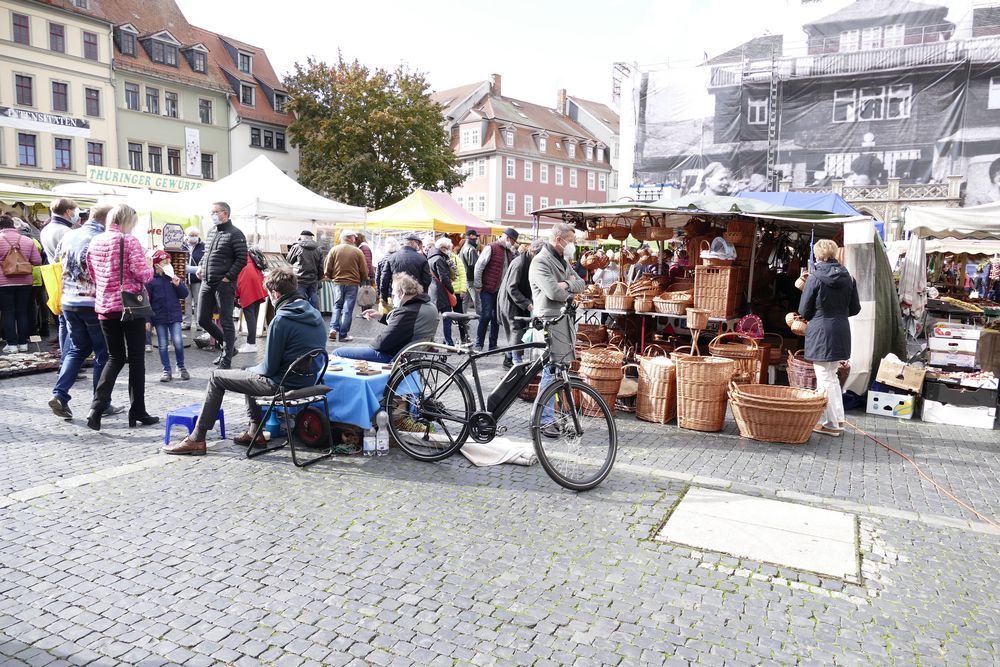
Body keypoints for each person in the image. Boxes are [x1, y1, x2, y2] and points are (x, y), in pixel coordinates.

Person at [163, 267, 328, 456]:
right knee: (246, 370)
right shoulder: (314, 313)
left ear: (275, 293)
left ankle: (197, 439)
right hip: (308, 380)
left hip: (282, 384)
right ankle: (254, 432)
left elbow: (268, 368)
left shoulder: (281, 320)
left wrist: (252, 368)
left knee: (217, 377)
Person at [85, 204, 157, 431]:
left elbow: (92, 273)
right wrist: (151, 266)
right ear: (128, 221)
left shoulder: (96, 240)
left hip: (105, 306)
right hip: (130, 307)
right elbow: (143, 275)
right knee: (136, 360)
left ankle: (96, 409)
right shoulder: (130, 241)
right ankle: (138, 411)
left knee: (114, 358)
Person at [47, 205, 117, 419]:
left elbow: (58, 262)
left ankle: (59, 394)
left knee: (77, 349)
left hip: (69, 301)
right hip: (92, 302)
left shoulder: (70, 235)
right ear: (107, 220)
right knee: (104, 354)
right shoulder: (102, 238)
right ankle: (100, 404)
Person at [799, 238, 861, 437]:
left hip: (821, 330)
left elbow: (803, 309)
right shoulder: (849, 277)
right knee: (831, 376)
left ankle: (832, 424)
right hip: (841, 328)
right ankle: (838, 419)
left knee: (825, 378)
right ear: (834, 253)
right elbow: (855, 308)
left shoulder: (815, 277)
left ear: (818, 254)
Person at [528, 223, 585, 438]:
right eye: (571, 239)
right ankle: (544, 420)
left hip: (563, 322)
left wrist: (567, 285)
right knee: (551, 372)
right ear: (558, 239)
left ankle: (551, 417)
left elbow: (581, 283)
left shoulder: (563, 260)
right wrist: (566, 286)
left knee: (557, 372)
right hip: (550, 322)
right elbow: (553, 293)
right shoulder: (541, 261)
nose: (573, 244)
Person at [336, 274, 439, 364]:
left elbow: (381, 344)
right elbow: (406, 325)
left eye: (394, 294)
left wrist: (372, 343)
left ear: (402, 293)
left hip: (392, 355)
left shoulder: (409, 312)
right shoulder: (426, 305)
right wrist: (380, 316)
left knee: (338, 353)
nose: (393, 298)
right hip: (408, 351)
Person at [197, 202, 247, 369]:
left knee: (226, 321)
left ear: (225, 214)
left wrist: (228, 277)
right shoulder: (211, 232)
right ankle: (229, 348)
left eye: (215, 212)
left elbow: (242, 259)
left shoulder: (235, 233)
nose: (212, 215)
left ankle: (226, 359)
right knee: (202, 319)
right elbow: (207, 254)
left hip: (224, 284)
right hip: (207, 281)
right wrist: (201, 267)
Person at [0, 215, 43, 352]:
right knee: (22, 311)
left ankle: (12, 345)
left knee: (8, 312)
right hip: (25, 281)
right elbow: (37, 261)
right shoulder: (27, 240)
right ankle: (23, 343)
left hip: (3, 282)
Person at [41, 198, 79, 356]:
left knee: (64, 322)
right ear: (68, 212)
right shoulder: (66, 231)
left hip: (56, 279)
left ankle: (65, 358)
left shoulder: (46, 229)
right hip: (69, 281)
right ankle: (70, 359)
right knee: (71, 324)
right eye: (75, 211)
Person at [146, 250, 189, 382]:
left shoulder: (172, 277)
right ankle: (166, 370)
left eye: (169, 262)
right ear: (157, 265)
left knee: (178, 341)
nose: (168, 264)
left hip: (174, 315)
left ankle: (181, 367)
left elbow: (184, 294)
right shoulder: (151, 281)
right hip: (159, 317)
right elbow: (147, 301)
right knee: (163, 344)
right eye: (165, 262)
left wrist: (178, 285)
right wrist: (148, 320)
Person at [499, 239, 543, 367]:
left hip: (517, 300)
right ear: (534, 253)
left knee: (519, 331)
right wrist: (527, 304)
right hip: (510, 302)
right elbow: (512, 288)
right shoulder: (519, 263)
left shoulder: (529, 261)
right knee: (517, 330)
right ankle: (516, 362)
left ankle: (509, 358)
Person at [473, 227, 518, 351]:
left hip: (500, 291)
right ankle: (479, 343)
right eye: (513, 242)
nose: (513, 244)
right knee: (486, 315)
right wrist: (478, 284)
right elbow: (479, 266)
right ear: (508, 238)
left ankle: (493, 345)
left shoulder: (508, 252)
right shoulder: (491, 247)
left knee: (496, 318)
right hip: (487, 288)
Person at [323, 229, 368, 342]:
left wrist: (331, 277)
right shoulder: (357, 251)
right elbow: (364, 270)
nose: (355, 239)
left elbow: (327, 268)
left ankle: (333, 329)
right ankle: (343, 334)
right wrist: (363, 280)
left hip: (338, 282)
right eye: (354, 237)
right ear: (350, 238)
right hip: (352, 283)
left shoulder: (334, 250)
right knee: (347, 309)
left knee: (337, 306)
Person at [379, 232, 432, 307]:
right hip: (416, 295)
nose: (419, 246)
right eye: (418, 243)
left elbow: (384, 279)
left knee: (398, 315)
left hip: (398, 293)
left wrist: (383, 298)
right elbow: (427, 280)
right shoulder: (422, 259)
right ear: (413, 242)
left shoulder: (392, 257)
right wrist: (423, 294)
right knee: (414, 316)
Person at [236, 248, 268, 354]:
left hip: (248, 291)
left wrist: (236, 296)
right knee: (254, 317)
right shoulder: (250, 259)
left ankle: (251, 344)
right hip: (257, 289)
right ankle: (251, 343)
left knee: (250, 318)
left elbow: (239, 281)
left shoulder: (241, 262)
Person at [427, 237, 456, 343]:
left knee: (433, 319)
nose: (449, 250)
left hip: (433, 291)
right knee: (447, 318)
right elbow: (444, 278)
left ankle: (430, 342)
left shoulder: (431, 257)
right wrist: (451, 290)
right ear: (443, 247)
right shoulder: (439, 259)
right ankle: (448, 342)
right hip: (442, 293)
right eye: (448, 248)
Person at [286, 230, 324, 307]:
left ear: (301, 237)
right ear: (311, 238)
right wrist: (319, 277)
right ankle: (314, 315)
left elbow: (289, 260)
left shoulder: (296, 247)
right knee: (314, 297)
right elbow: (321, 266)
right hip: (313, 278)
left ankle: (301, 316)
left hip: (299, 278)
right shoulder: (318, 249)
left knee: (299, 299)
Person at [446, 237, 471, 346]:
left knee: (460, 316)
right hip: (445, 292)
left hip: (456, 292)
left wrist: (462, 290)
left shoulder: (456, 258)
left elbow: (462, 275)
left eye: (447, 247)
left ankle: (464, 337)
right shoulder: (439, 259)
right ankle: (447, 340)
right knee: (446, 317)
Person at [182, 228, 204, 330]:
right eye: (191, 235)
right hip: (185, 279)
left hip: (197, 279)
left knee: (198, 301)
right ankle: (187, 322)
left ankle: (199, 323)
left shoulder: (203, 246)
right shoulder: (183, 246)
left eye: (195, 235)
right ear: (187, 235)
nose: (194, 237)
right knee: (187, 302)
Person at [459, 230, 480, 313]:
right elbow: (475, 266)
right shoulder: (470, 249)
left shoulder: (464, 247)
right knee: (477, 301)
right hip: (471, 278)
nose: (477, 238)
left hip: (466, 278)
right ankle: (482, 321)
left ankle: (462, 321)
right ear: (471, 236)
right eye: (476, 236)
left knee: (465, 301)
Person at [374, 237, 399, 307]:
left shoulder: (382, 258)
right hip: (396, 290)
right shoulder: (399, 258)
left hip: (385, 290)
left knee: (385, 312)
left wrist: (379, 292)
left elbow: (378, 277)